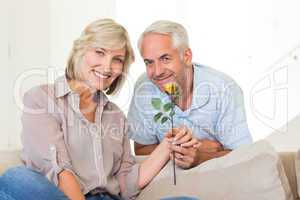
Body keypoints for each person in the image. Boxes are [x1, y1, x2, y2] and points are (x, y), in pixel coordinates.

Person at [0, 19, 197, 200]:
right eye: (100, 52)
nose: (107, 66)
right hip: (61, 196)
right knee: (16, 178)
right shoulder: (41, 99)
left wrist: (167, 145)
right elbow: (59, 170)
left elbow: (126, 184)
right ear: (80, 51)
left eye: (117, 59)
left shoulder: (116, 116)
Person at [127, 20, 253, 169]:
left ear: (186, 56)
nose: (157, 72)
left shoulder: (223, 89)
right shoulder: (144, 87)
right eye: (149, 62)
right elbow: (141, 150)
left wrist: (201, 157)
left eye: (165, 59)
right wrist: (187, 149)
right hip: (166, 181)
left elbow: (245, 156)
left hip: (217, 178)